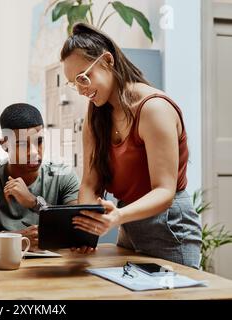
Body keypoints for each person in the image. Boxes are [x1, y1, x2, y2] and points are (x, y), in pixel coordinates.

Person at [60, 23, 202, 268]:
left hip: (169, 225)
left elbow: (164, 192)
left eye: (84, 77)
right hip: (129, 224)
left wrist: (117, 216)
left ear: (107, 61)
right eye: (74, 83)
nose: (82, 90)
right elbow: (90, 183)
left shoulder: (153, 109)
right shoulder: (96, 115)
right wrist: (86, 231)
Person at [0, 103, 80, 251]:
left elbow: (77, 230)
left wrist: (34, 203)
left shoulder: (63, 175)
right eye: (22, 144)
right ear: (4, 145)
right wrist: (18, 239)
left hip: (51, 268)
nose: (33, 152)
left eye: (39, 142)